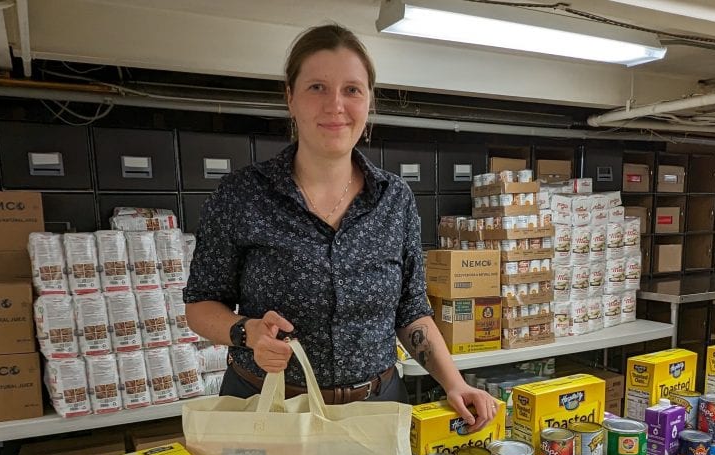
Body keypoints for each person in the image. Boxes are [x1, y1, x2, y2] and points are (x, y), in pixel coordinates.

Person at [184, 23, 497, 430]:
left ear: (369, 103)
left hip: (374, 411)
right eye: (317, 87)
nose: (335, 105)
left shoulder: (394, 198)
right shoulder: (243, 194)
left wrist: (454, 383)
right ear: (290, 98)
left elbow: (411, 311)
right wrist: (247, 333)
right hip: (269, 412)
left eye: (352, 89)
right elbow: (200, 304)